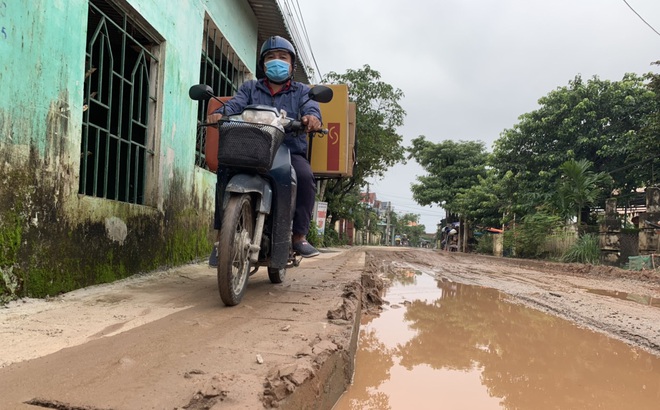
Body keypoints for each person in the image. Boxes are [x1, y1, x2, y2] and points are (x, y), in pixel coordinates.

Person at [208, 35, 321, 258]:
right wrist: (220, 114)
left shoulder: (302, 91)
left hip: (286, 150)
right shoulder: (250, 88)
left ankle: (299, 237)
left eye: (282, 57)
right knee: (224, 170)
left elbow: (312, 109)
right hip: (250, 147)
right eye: (271, 57)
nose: (276, 61)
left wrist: (311, 118)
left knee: (305, 177)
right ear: (263, 64)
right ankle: (223, 237)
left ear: (291, 64)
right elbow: (235, 105)